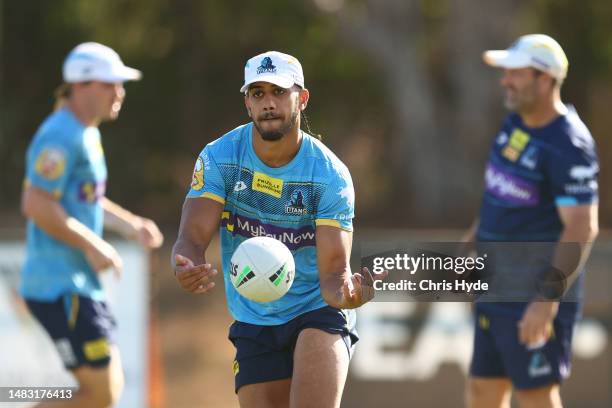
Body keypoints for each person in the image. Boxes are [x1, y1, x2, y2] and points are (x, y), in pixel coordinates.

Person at [172, 50, 386, 408]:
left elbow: (333, 274)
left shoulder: (329, 176)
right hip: (253, 313)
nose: (268, 103)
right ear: (247, 103)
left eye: (279, 92)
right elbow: (191, 237)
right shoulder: (220, 157)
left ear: (301, 98)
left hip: (316, 306)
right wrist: (186, 263)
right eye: (258, 94)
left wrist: (345, 296)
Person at [20, 42, 164, 407]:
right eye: (110, 84)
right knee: (101, 394)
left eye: (120, 84)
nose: (120, 92)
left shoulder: (86, 132)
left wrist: (130, 225)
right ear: (81, 85)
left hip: (77, 285)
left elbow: (86, 198)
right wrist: (94, 244)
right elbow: (35, 203)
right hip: (59, 286)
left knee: (104, 392)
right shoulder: (61, 134)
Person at [463, 34, 599, 408]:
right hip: (496, 283)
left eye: (516, 73)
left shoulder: (568, 143)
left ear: (545, 79)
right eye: (505, 73)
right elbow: (498, 192)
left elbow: (582, 226)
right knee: (482, 390)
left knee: (536, 396)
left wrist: (546, 301)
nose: (505, 81)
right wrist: (473, 240)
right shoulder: (515, 125)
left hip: (531, 293)